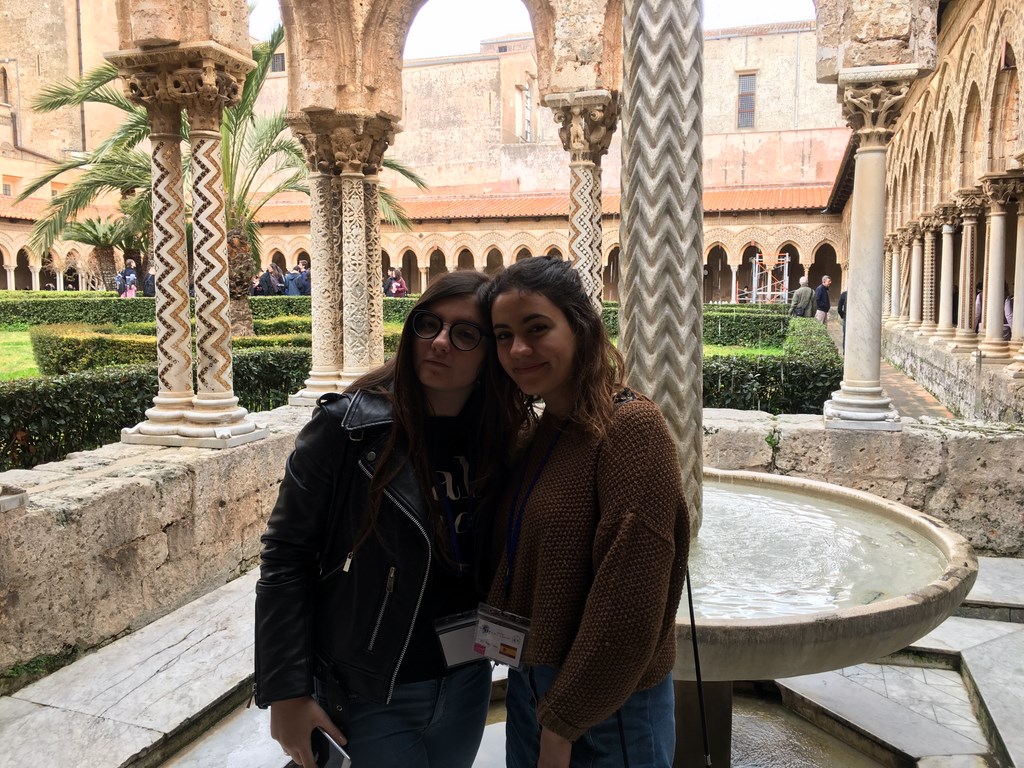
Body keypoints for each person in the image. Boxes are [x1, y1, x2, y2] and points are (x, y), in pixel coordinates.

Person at [254, 271, 520, 768]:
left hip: (466, 680)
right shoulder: (348, 429)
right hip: (372, 692)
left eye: (465, 333)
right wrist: (286, 691)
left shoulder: (500, 437)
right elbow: (286, 558)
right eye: (428, 324)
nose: (439, 342)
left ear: (492, 353)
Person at [482, 257, 690, 768]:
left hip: (609, 708)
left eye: (536, 328)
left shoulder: (630, 429)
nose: (518, 349)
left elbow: (631, 600)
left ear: (580, 328)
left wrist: (563, 723)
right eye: (504, 336)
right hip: (535, 686)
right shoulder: (543, 430)